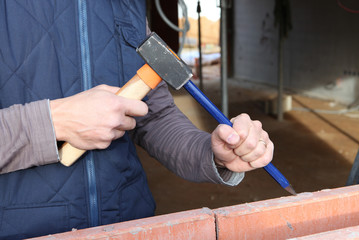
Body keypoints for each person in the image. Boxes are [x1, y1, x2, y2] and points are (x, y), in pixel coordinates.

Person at [0, 1, 273, 239]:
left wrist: (212, 153)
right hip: (23, 229)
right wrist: (52, 122)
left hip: (129, 221)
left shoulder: (126, 4)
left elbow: (155, 115)